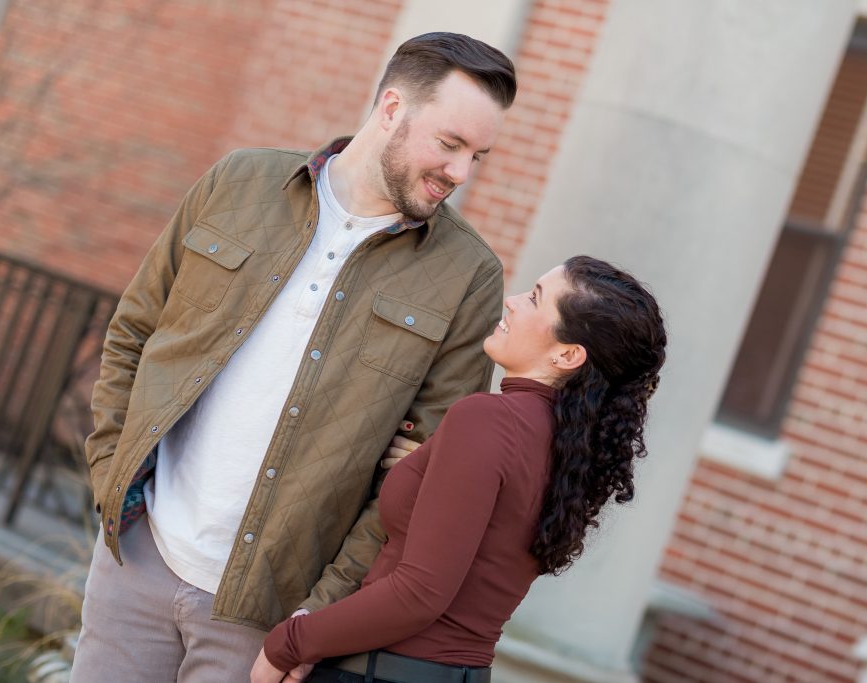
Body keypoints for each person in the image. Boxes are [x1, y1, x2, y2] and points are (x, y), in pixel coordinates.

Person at [71, 32, 516, 682]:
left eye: (478, 154)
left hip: (264, 619)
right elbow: (134, 329)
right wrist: (111, 472)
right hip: (137, 555)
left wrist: (317, 616)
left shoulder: (467, 277)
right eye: (449, 145)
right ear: (391, 109)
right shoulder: (239, 184)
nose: (461, 173)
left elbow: (417, 482)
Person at [250, 255, 668, 683]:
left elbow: (418, 594)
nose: (513, 302)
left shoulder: (487, 419)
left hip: (381, 671)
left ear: (567, 354)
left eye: (535, 299)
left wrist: (291, 642)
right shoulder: (570, 450)